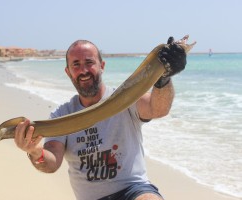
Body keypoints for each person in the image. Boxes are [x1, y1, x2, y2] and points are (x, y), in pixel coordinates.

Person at [14, 37, 186, 200]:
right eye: (76, 64)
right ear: (68, 72)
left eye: (89, 62)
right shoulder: (62, 115)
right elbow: (51, 163)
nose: (84, 70)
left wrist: (163, 78)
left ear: (102, 65)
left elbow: (158, 109)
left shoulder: (125, 98)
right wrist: (35, 152)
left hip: (133, 191)